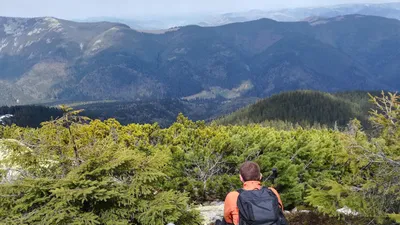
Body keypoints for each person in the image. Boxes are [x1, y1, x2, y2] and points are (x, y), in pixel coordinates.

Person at [220, 161, 285, 225]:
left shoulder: (233, 196)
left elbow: (228, 219)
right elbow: (280, 211)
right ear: (260, 176)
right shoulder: (272, 191)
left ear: (241, 178)